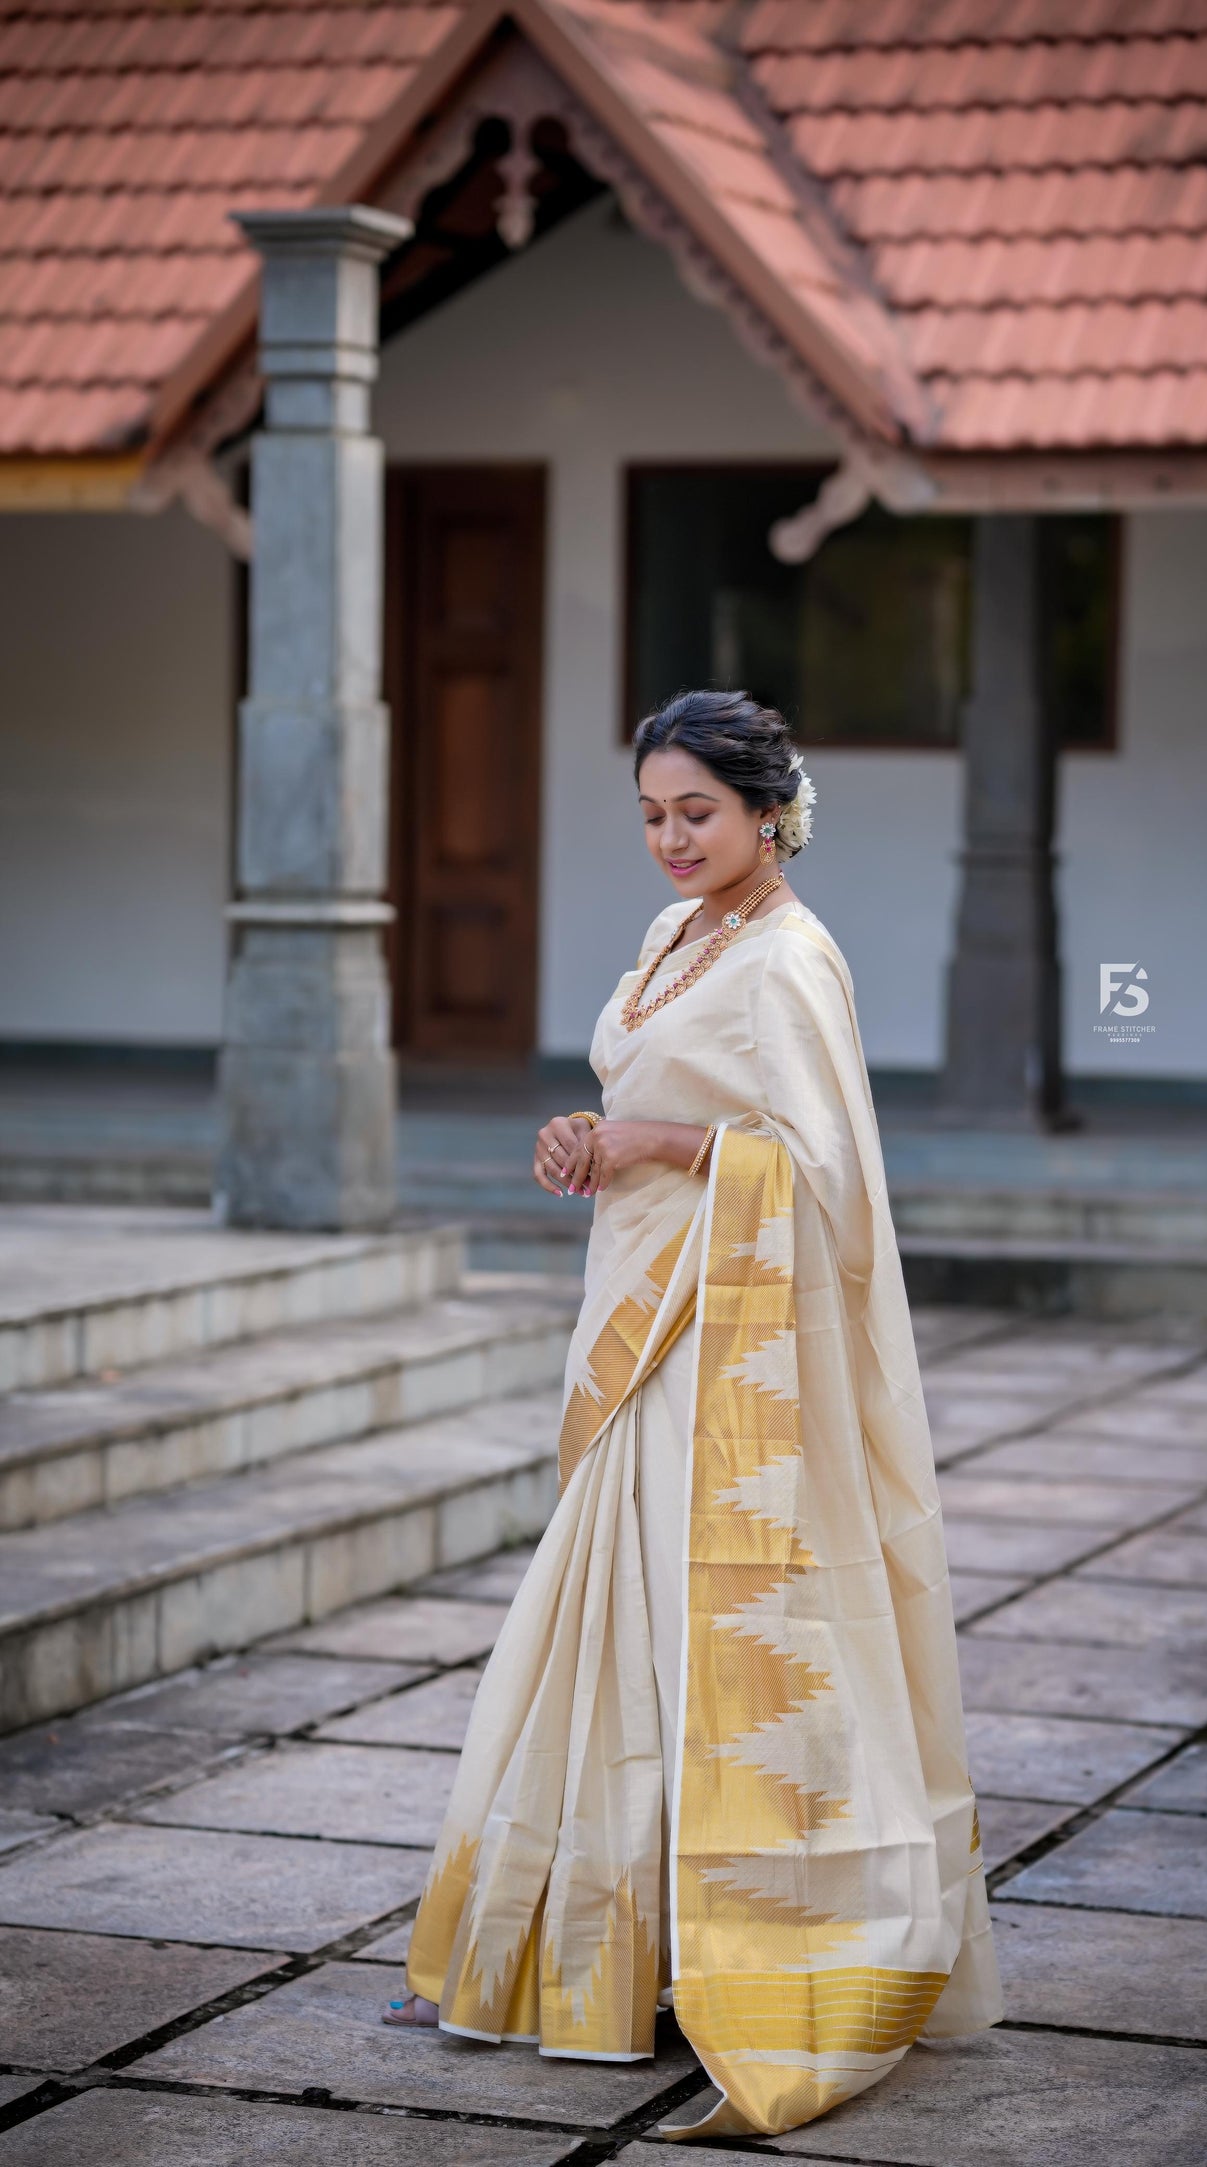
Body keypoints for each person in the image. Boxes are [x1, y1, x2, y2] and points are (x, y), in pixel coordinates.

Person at [382, 689, 1002, 2141]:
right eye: (653, 814)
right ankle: (600, 1952)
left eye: (697, 813)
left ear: (768, 812)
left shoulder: (789, 958)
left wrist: (656, 1141)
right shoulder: (680, 937)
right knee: (614, 1636)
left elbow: (831, 1184)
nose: (669, 838)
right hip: (645, 1315)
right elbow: (653, 1092)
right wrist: (586, 1139)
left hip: (727, 1358)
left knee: (719, 1648)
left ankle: (768, 1959)